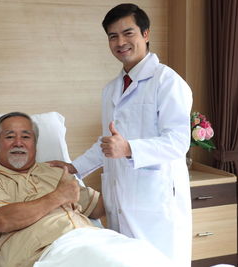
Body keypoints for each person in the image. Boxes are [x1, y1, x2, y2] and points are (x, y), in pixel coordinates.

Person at [49, 3, 193, 266]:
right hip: (119, 199)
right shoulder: (111, 90)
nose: (121, 42)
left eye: (128, 33)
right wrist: (74, 167)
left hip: (156, 203)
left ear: (146, 34)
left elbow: (178, 142)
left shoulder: (168, 82)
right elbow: (108, 144)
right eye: (113, 36)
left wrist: (129, 149)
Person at [0, 112, 170, 267]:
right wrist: (58, 196)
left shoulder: (54, 172)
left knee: (149, 257)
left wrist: (124, 163)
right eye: (10, 136)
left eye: (26, 136)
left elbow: (98, 208)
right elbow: (2, 220)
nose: (19, 143)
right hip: (47, 252)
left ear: (35, 145)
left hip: (94, 239)